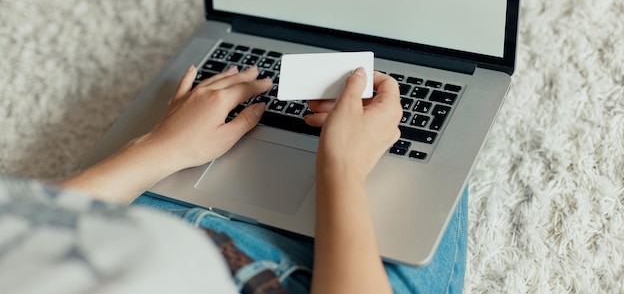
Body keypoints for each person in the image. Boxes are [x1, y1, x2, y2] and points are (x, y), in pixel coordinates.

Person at [0, 65, 467, 294]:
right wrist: (342, 166)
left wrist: (158, 149)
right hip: (283, 278)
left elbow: (20, 232)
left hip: (130, 226)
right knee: (434, 171)